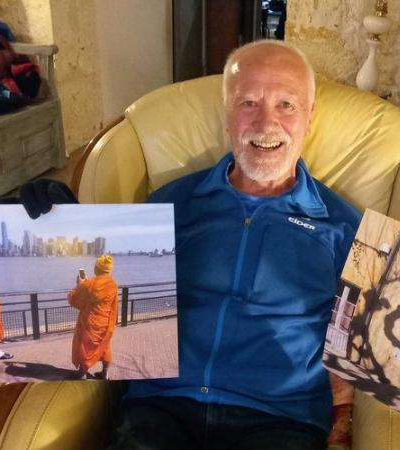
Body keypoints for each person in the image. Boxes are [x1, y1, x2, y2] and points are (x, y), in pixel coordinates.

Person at [18, 40, 360, 449]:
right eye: (248, 102)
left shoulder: (346, 227)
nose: (267, 122)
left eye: (287, 104)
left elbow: (396, 346)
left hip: (279, 421)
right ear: (227, 116)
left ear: (309, 118)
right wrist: (62, 228)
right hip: (162, 408)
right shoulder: (168, 203)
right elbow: (98, 300)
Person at [68, 254, 118, 380]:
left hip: (90, 322)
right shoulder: (113, 284)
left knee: (86, 347)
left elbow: (74, 299)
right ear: (109, 270)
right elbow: (113, 306)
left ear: (97, 269)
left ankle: (83, 373)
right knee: (105, 346)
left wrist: (79, 284)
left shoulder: (90, 284)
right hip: (106, 322)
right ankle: (105, 373)